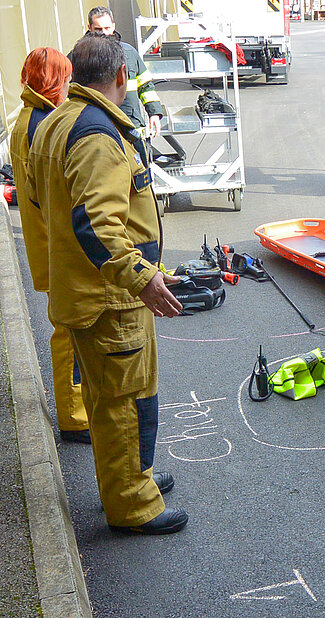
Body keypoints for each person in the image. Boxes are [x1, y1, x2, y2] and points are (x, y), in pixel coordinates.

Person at [26, 35, 187, 535]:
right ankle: (132, 504)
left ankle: (127, 479)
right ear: (121, 77)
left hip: (84, 289)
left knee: (106, 399)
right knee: (125, 401)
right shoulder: (97, 134)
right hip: (109, 299)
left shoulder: (57, 120)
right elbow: (96, 223)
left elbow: (36, 197)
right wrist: (143, 280)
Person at [11, 49, 91, 444]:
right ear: (54, 81)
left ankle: (75, 410)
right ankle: (75, 416)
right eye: (65, 77)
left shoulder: (29, 117)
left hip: (46, 245)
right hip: (56, 249)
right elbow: (51, 195)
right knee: (69, 336)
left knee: (68, 333)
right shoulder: (41, 123)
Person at [85, 6, 163, 139]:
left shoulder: (129, 53)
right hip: (98, 132)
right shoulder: (80, 57)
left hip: (132, 129)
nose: (103, 33)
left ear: (114, 26)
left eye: (107, 28)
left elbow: (145, 86)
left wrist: (154, 113)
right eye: (98, 29)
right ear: (89, 27)